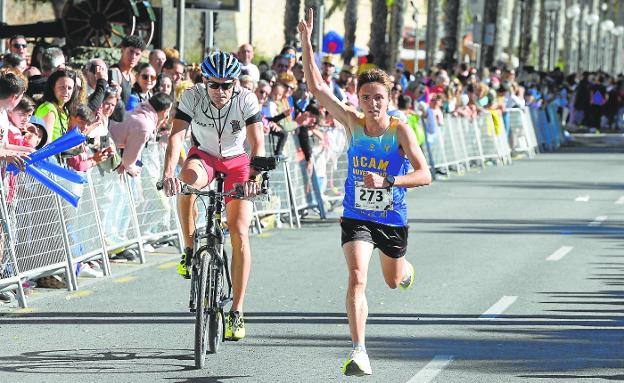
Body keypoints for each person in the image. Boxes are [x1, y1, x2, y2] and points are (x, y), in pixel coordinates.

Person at [299, 9, 431, 377]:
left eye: (379, 97)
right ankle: (359, 351)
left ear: (389, 99)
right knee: (358, 277)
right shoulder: (352, 123)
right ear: (358, 98)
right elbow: (317, 88)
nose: (373, 103)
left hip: (392, 217)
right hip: (357, 215)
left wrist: (389, 182)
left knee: (392, 280)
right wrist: (308, 43)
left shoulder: (400, 131)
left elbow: (425, 175)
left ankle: (403, 271)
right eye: (367, 96)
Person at [161, 51, 264, 342]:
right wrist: (169, 173)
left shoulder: (246, 99)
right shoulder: (191, 97)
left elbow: (257, 142)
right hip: (204, 156)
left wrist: (255, 178)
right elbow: (176, 136)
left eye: (227, 85)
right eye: (214, 85)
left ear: (235, 83)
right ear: (204, 81)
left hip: (236, 162)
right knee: (186, 182)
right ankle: (190, 247)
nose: (221, 91)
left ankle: (237, 311)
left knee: (240, 232)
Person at [109, 93, 173, 177]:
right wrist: (131, 168)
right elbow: (129, 157)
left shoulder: (142, 109)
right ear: (164, 112)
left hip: (107, 140)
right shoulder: (145, 125)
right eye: (168, 112)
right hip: (102, 143)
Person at [34, 69, 79, 144]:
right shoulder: (49, 109)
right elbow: (46, 144)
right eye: (62, 87)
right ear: (52, 87)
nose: (66, 92)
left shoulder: (64, 109)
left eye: (70, 88)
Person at [110, 35, 146, 121]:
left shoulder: (133, 77)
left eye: (137, 54)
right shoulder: (114, 72)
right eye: (131, 51)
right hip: (113, 124)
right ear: (122, 50)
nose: (133, 56)